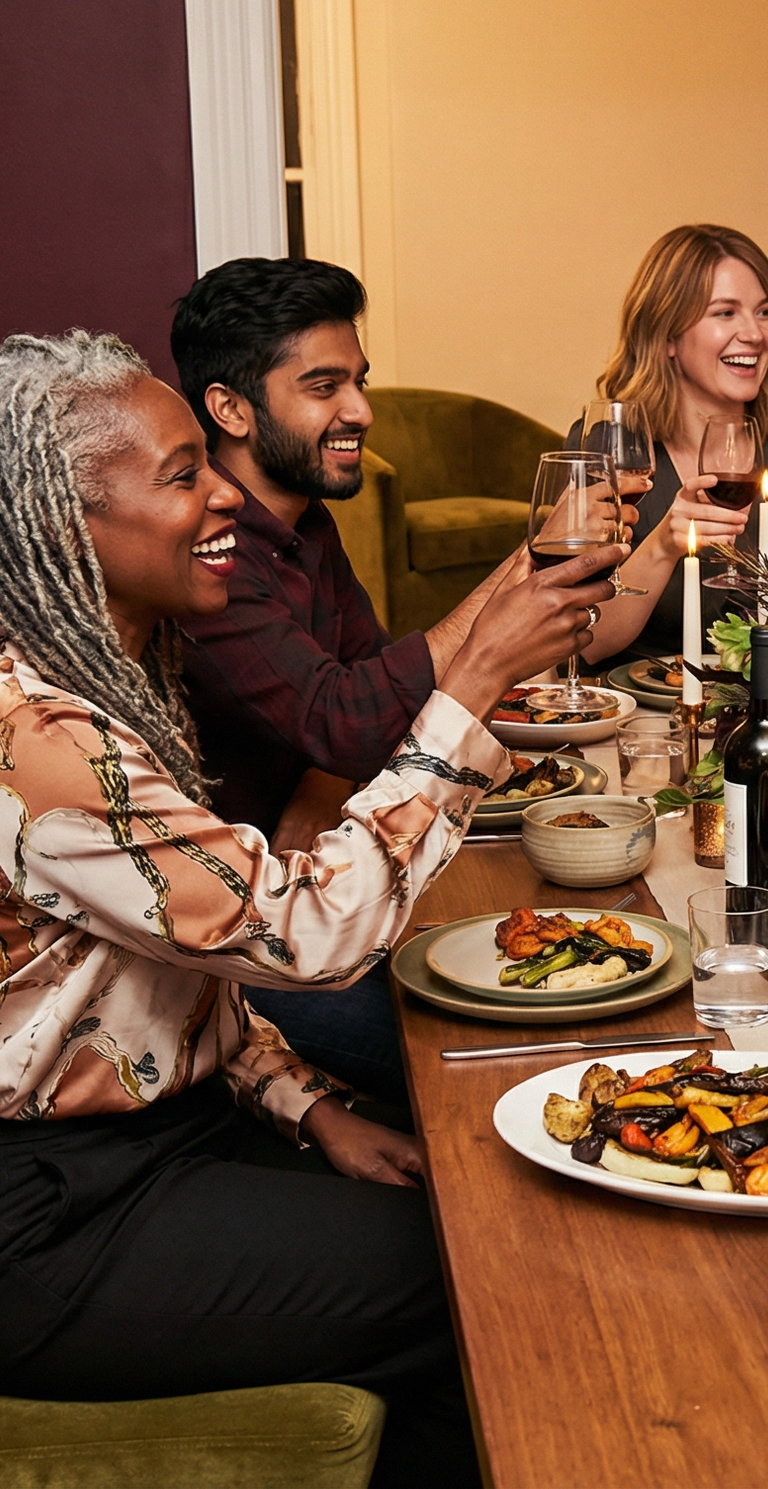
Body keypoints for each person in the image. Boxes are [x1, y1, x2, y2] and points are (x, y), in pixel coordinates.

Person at [0, 331, 617, 1485]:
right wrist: (466, 693)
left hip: (158, 1140)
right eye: (180, 474)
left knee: (482, 1204)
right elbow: (302, 934)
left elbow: (170, 977)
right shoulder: (35, 740)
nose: (225, 491)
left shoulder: (99, 678)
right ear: (71, 525)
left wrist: (310, 1108)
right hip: (33, 1225)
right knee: (480, 1274)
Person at [171, 257, 531, 1096]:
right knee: (488, 1055)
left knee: (533, 959)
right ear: (229, 407)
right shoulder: (207, 557)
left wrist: (322, 773)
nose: (361, 411)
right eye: (324, 386)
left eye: (358, 382)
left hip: (332, 877)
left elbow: (370, 693)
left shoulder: (307, 524)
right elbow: (351, 715)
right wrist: (523, 573)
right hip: (247, 952)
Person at [580, 224, 768, 664]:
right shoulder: (608, 455)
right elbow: (581, 647)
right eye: (725, 313)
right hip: (637, 722)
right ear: (668, 336)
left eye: (764, 312)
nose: (755, 334)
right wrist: (665, 545)